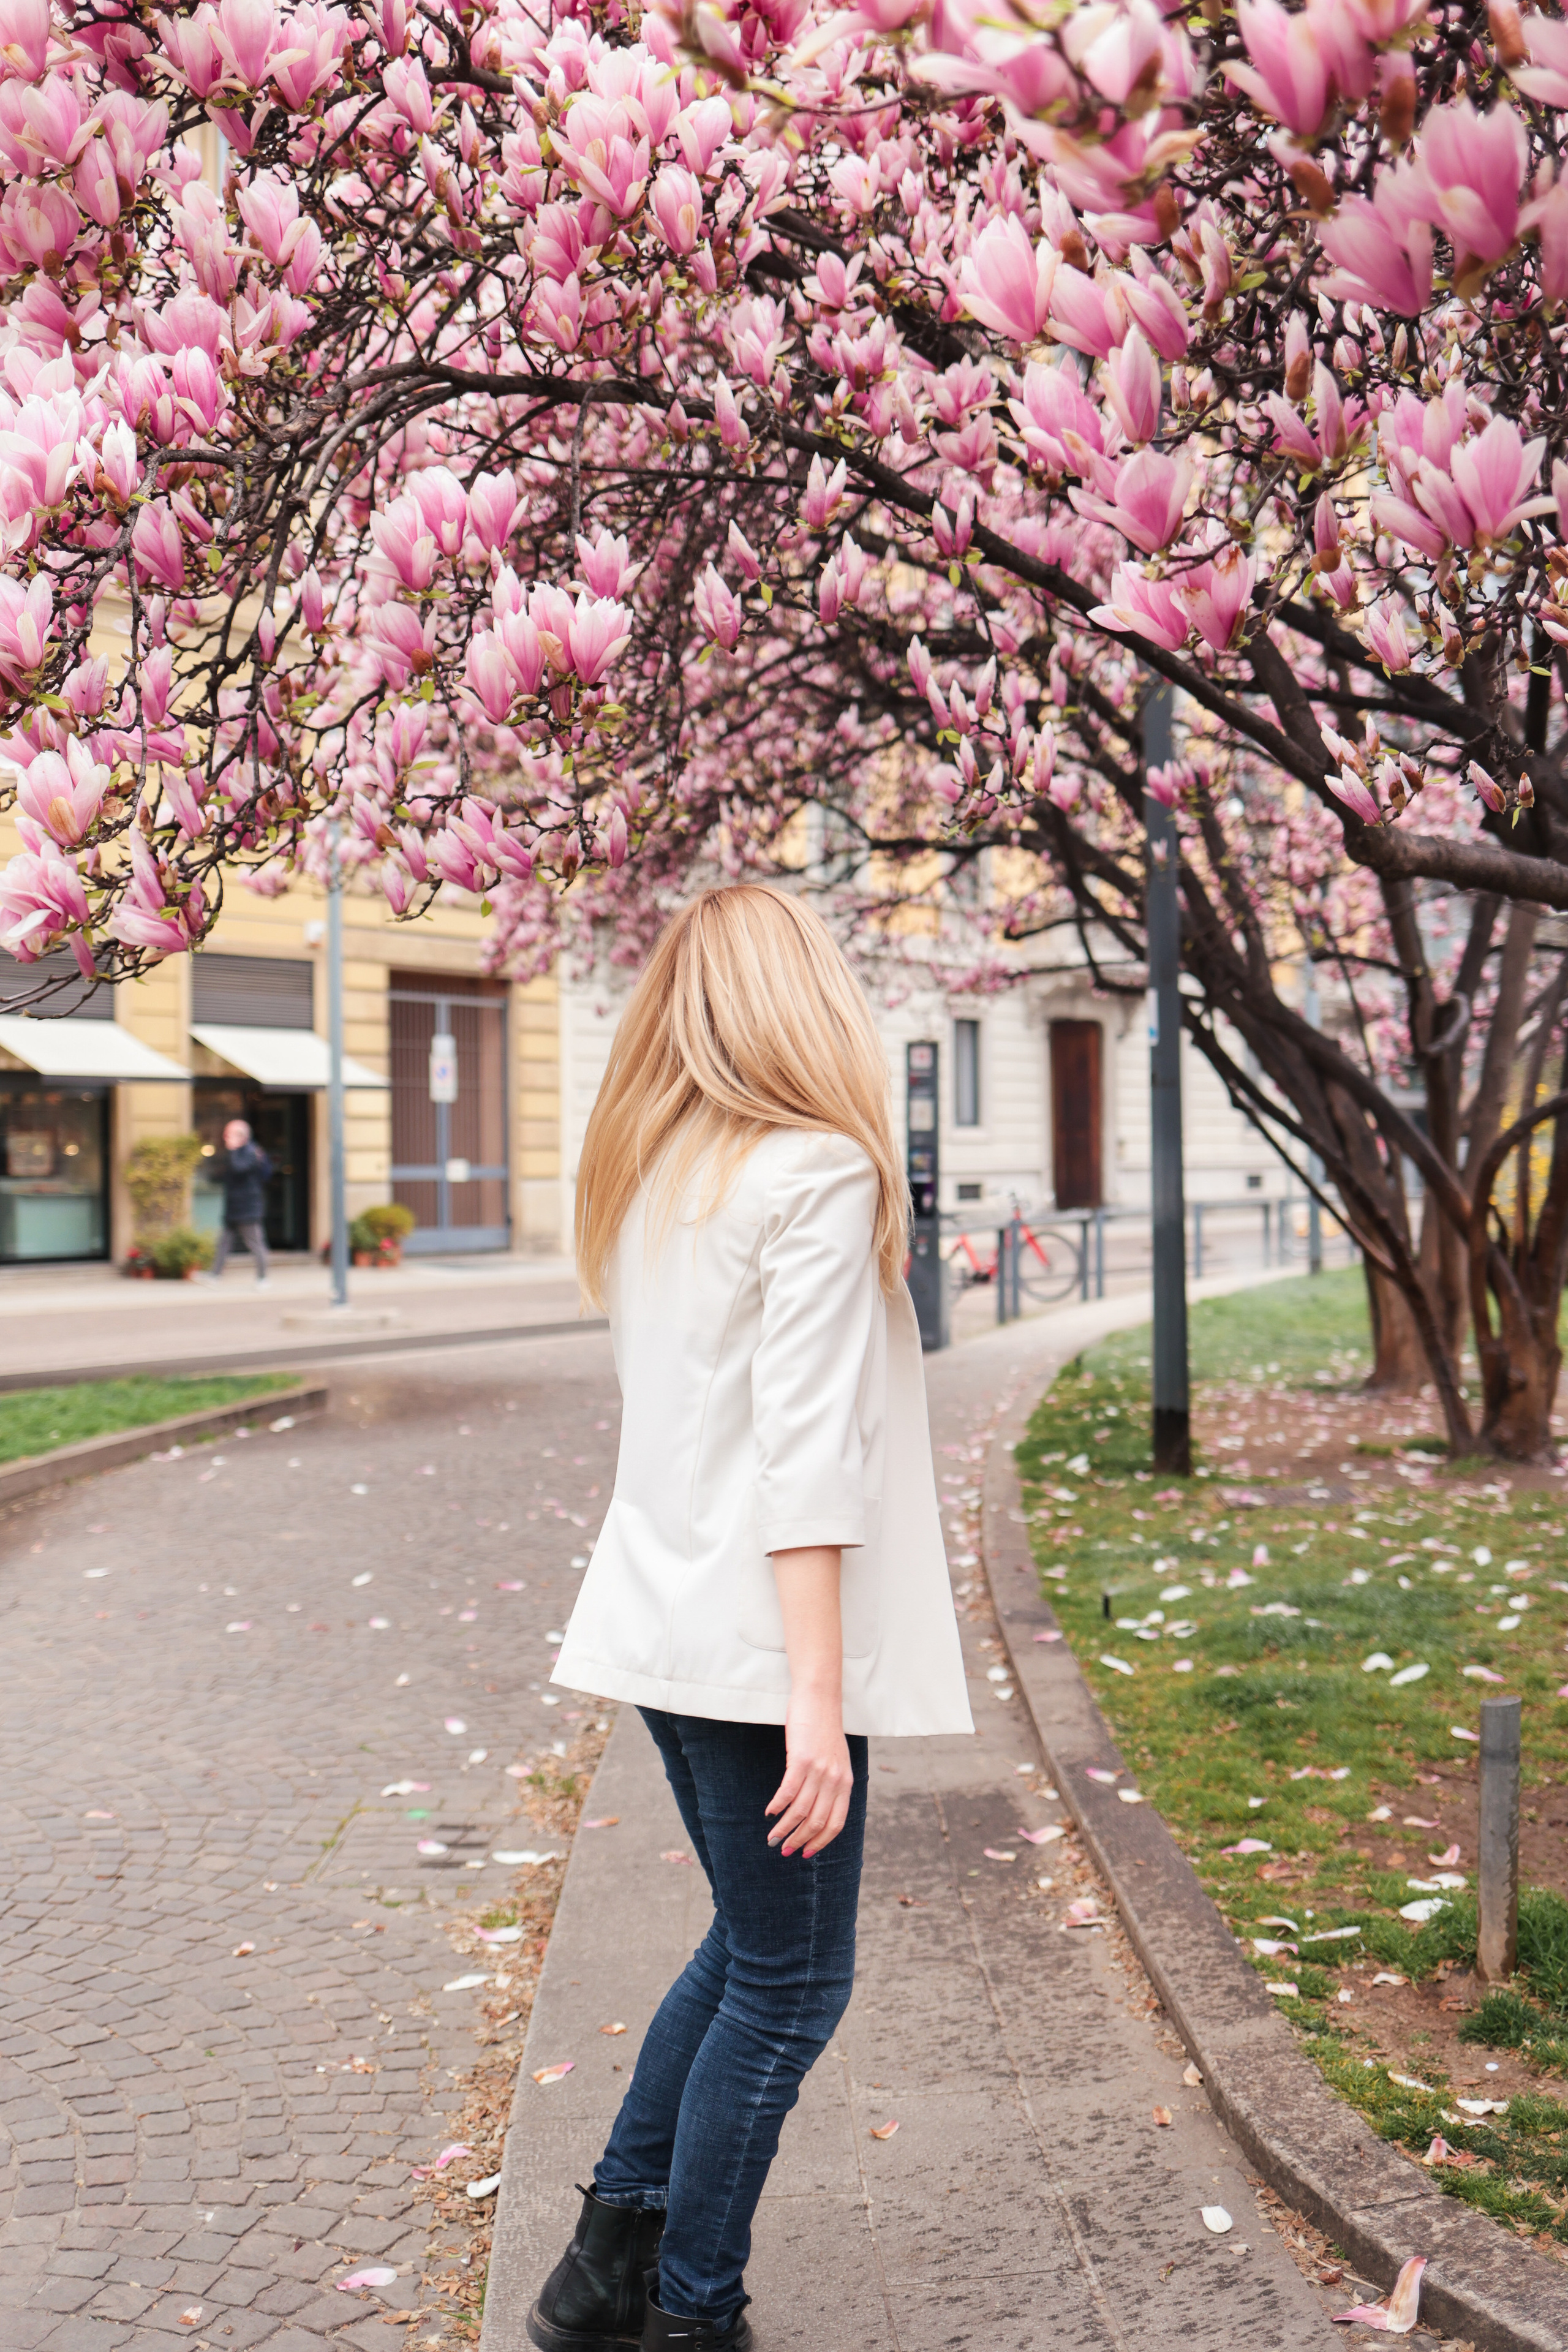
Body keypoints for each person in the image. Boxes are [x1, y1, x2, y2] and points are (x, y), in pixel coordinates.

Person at [529, 887, 972, 2352]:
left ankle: (602, 2271)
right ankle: (689, 2311)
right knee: (789, 1985)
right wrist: (816, 1700)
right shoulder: (816, 1173)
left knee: (750, 1950)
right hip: (749, 1648)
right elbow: (803, 1461)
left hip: (667, 1625)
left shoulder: (659, 1178)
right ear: (806, 1001)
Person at [209, 1119, 273, 1285]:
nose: (225, 1137)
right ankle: (215, 1274)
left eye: (229, 1134)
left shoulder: (251, 1152)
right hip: (234, 1207)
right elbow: (222, 1175)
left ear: (241, 1137)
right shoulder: (236, 1153)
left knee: (255, 1243)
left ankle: (263, 1278)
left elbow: (239, 1169)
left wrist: (232, 1151)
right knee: (224, 1243)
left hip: (248, 1207)